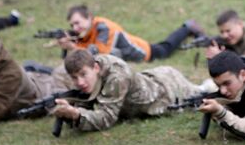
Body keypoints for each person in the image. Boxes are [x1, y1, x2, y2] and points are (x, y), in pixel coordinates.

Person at [51, 48, 203, 132]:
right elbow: (88, 100)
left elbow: (107, 118)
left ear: (96, 68)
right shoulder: (88, 67)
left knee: (202, 95)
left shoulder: (116, 77)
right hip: (152, 76)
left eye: (83, 75)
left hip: (169, 89)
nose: (80, 82)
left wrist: (76, 114)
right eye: (75, 78)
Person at [54, 4, 200, 63]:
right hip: (130, 54)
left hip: (143, 52)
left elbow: (99, 53)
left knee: (166, 49)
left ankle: (187, 27)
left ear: (89, 17)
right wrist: (67, 46)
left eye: (78, 22)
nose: (75, 27)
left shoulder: (103, 27)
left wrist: (73, 47)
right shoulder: (84, 34)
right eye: (72, 25)